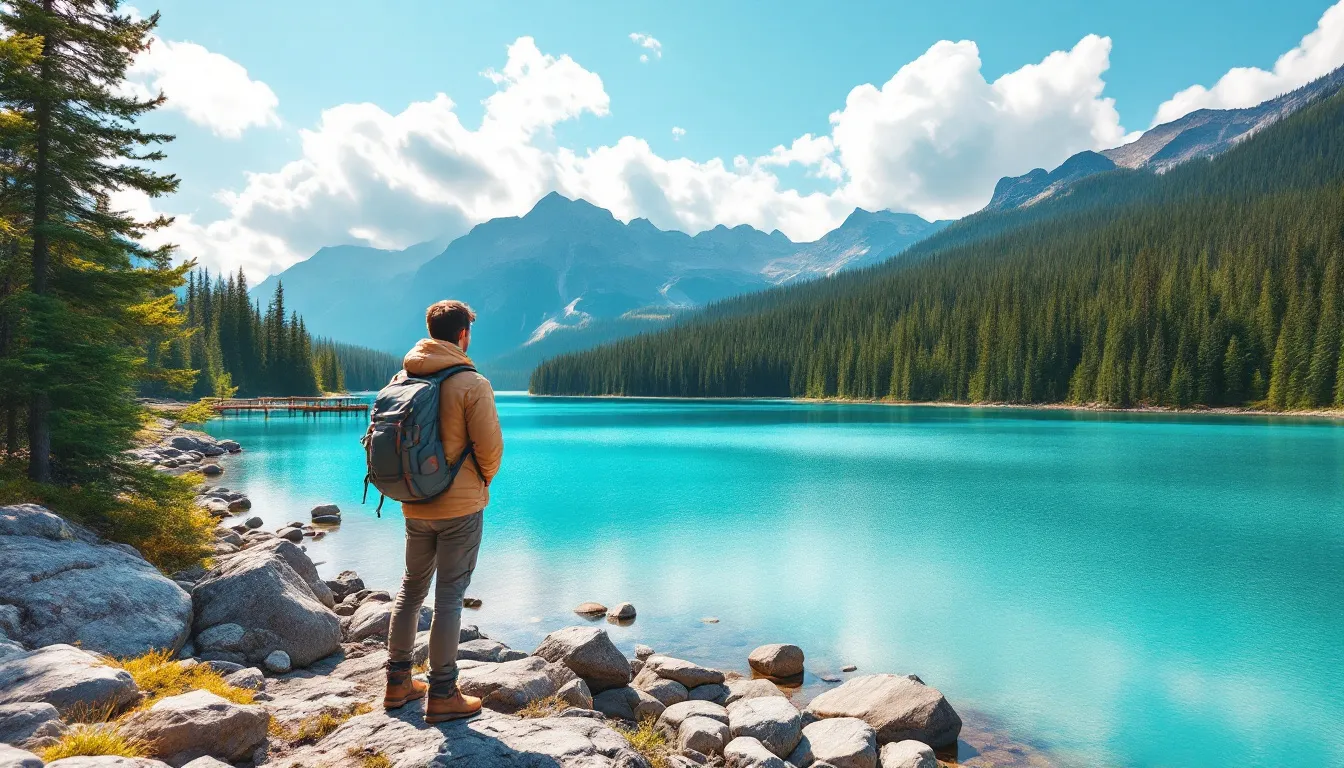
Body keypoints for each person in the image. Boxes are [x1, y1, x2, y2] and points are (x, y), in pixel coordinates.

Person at [383, 299, 503, 723]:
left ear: (430, 330)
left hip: (414, 502)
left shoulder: (405, 377)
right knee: (449, 596)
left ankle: (397, 682)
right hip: (460, 507)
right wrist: (481, 483)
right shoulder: (472, 383)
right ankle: (443, 693)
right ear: (463, 335)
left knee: (411, 588)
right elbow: (490, 450)